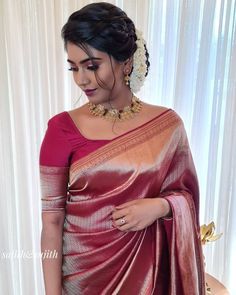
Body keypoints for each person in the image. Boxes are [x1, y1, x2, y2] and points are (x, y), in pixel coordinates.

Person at [40, 2, 206, 294]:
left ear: (126, 61)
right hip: (81, 279)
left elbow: (186, 195)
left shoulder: (167, 126)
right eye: (74, 68)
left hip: (147, 279)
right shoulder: (61, 129)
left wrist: (161, 206)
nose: (81, 79)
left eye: (92, 66)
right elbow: (52, 221)